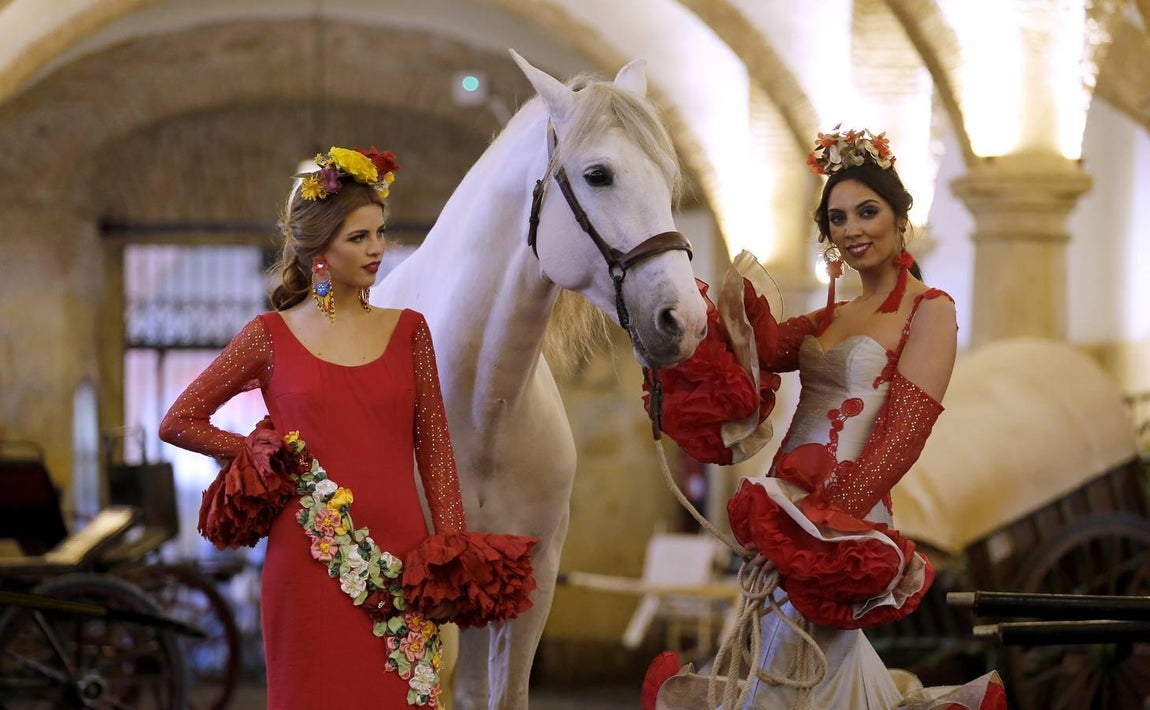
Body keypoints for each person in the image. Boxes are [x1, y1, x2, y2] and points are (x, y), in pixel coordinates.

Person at [159, 146, 536, 710]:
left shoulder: (410, 331)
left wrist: (452, 554)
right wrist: (262, 456)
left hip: (403, 563)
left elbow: (435, 452)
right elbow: (179, 420)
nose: (377, 248)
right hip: (303, 566)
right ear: (319, 250)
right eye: (358, 238)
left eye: (379, 233)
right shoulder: (268, 335)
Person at [644, 128, 1004, 709]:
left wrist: (815, 530)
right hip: (786, 505)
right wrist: (677, 314)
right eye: (838, 218)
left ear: (900, 218)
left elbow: (902, 437)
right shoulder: (829, 316)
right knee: (783, 668)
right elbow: (753, 351)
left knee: (802, 674)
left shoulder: (930, 310)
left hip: (841, 520)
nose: (853, 228)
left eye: (868, 211)